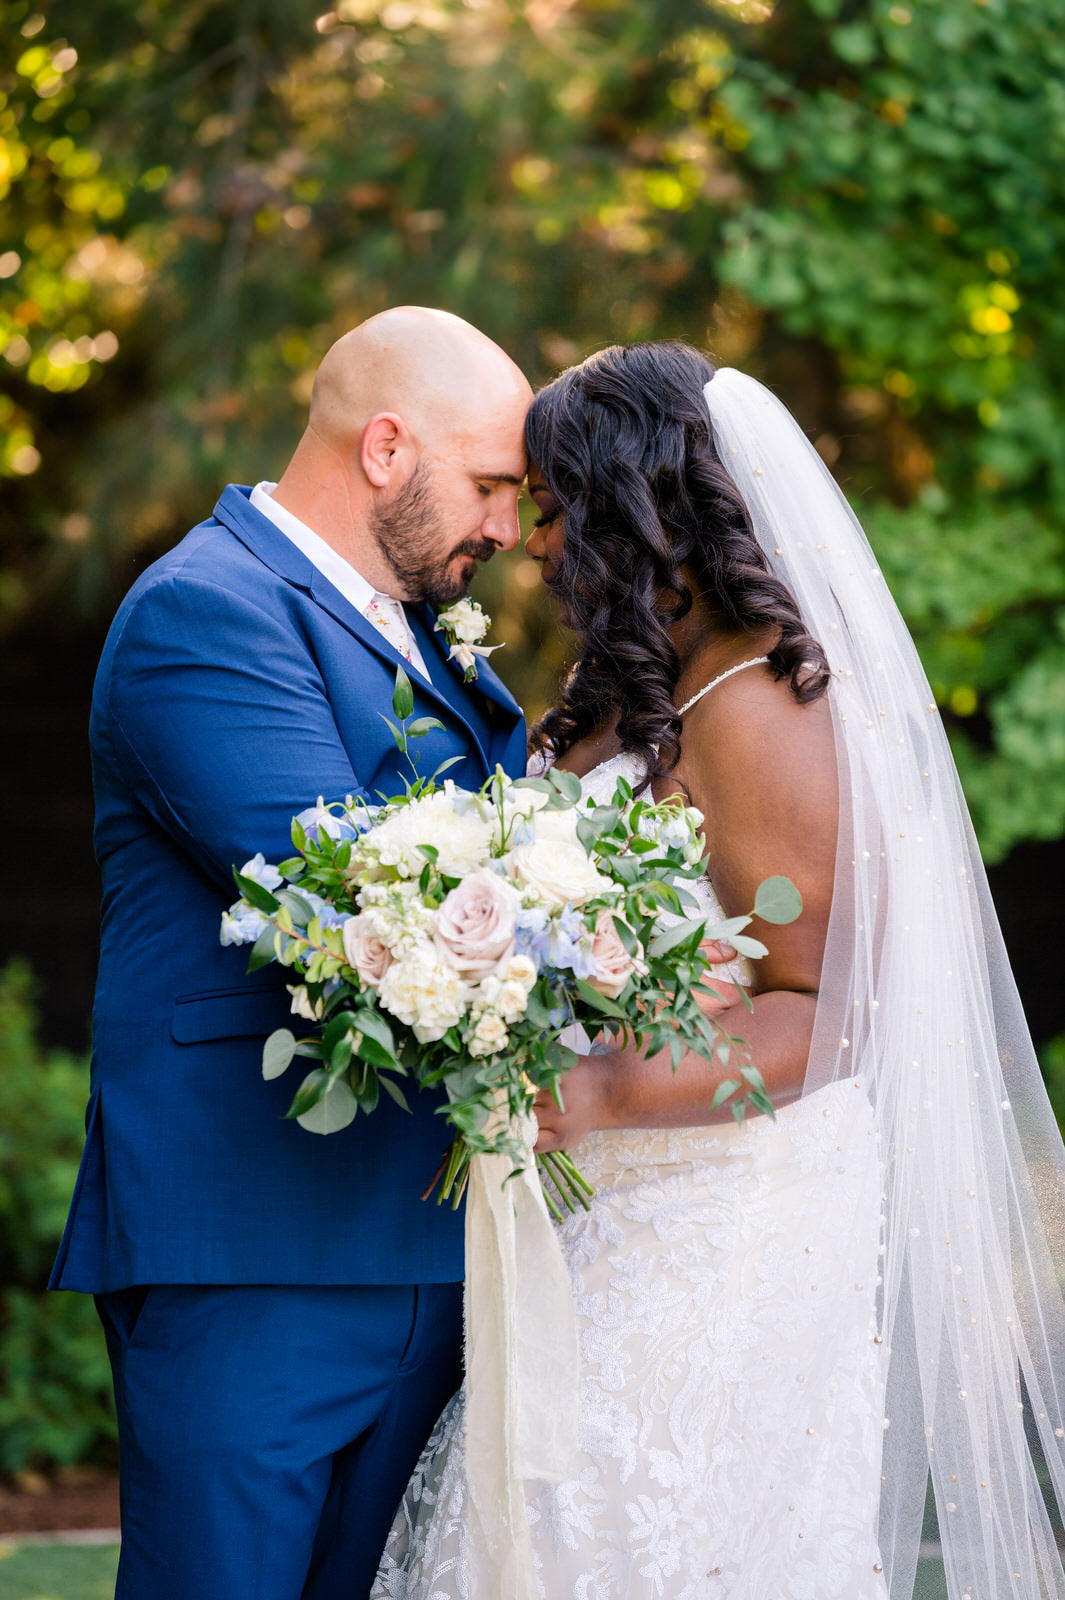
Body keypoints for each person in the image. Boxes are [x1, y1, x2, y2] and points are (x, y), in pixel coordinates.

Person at [373, 343, 1065, 1599]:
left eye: (556, 508)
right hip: (602, 1216)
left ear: (640, 503)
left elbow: (836, 1010)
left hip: (720, 1233)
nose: (535, 542)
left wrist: (609, 1094)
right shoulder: (625, 685)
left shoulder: (764, 709)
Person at [48, 307, 532, 1600]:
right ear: (387, 447)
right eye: (490, 485)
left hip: (429, 1235)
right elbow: (355, 896)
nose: (506, 528)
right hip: (255, 1239)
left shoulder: (426, 634)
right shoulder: (204, 613)